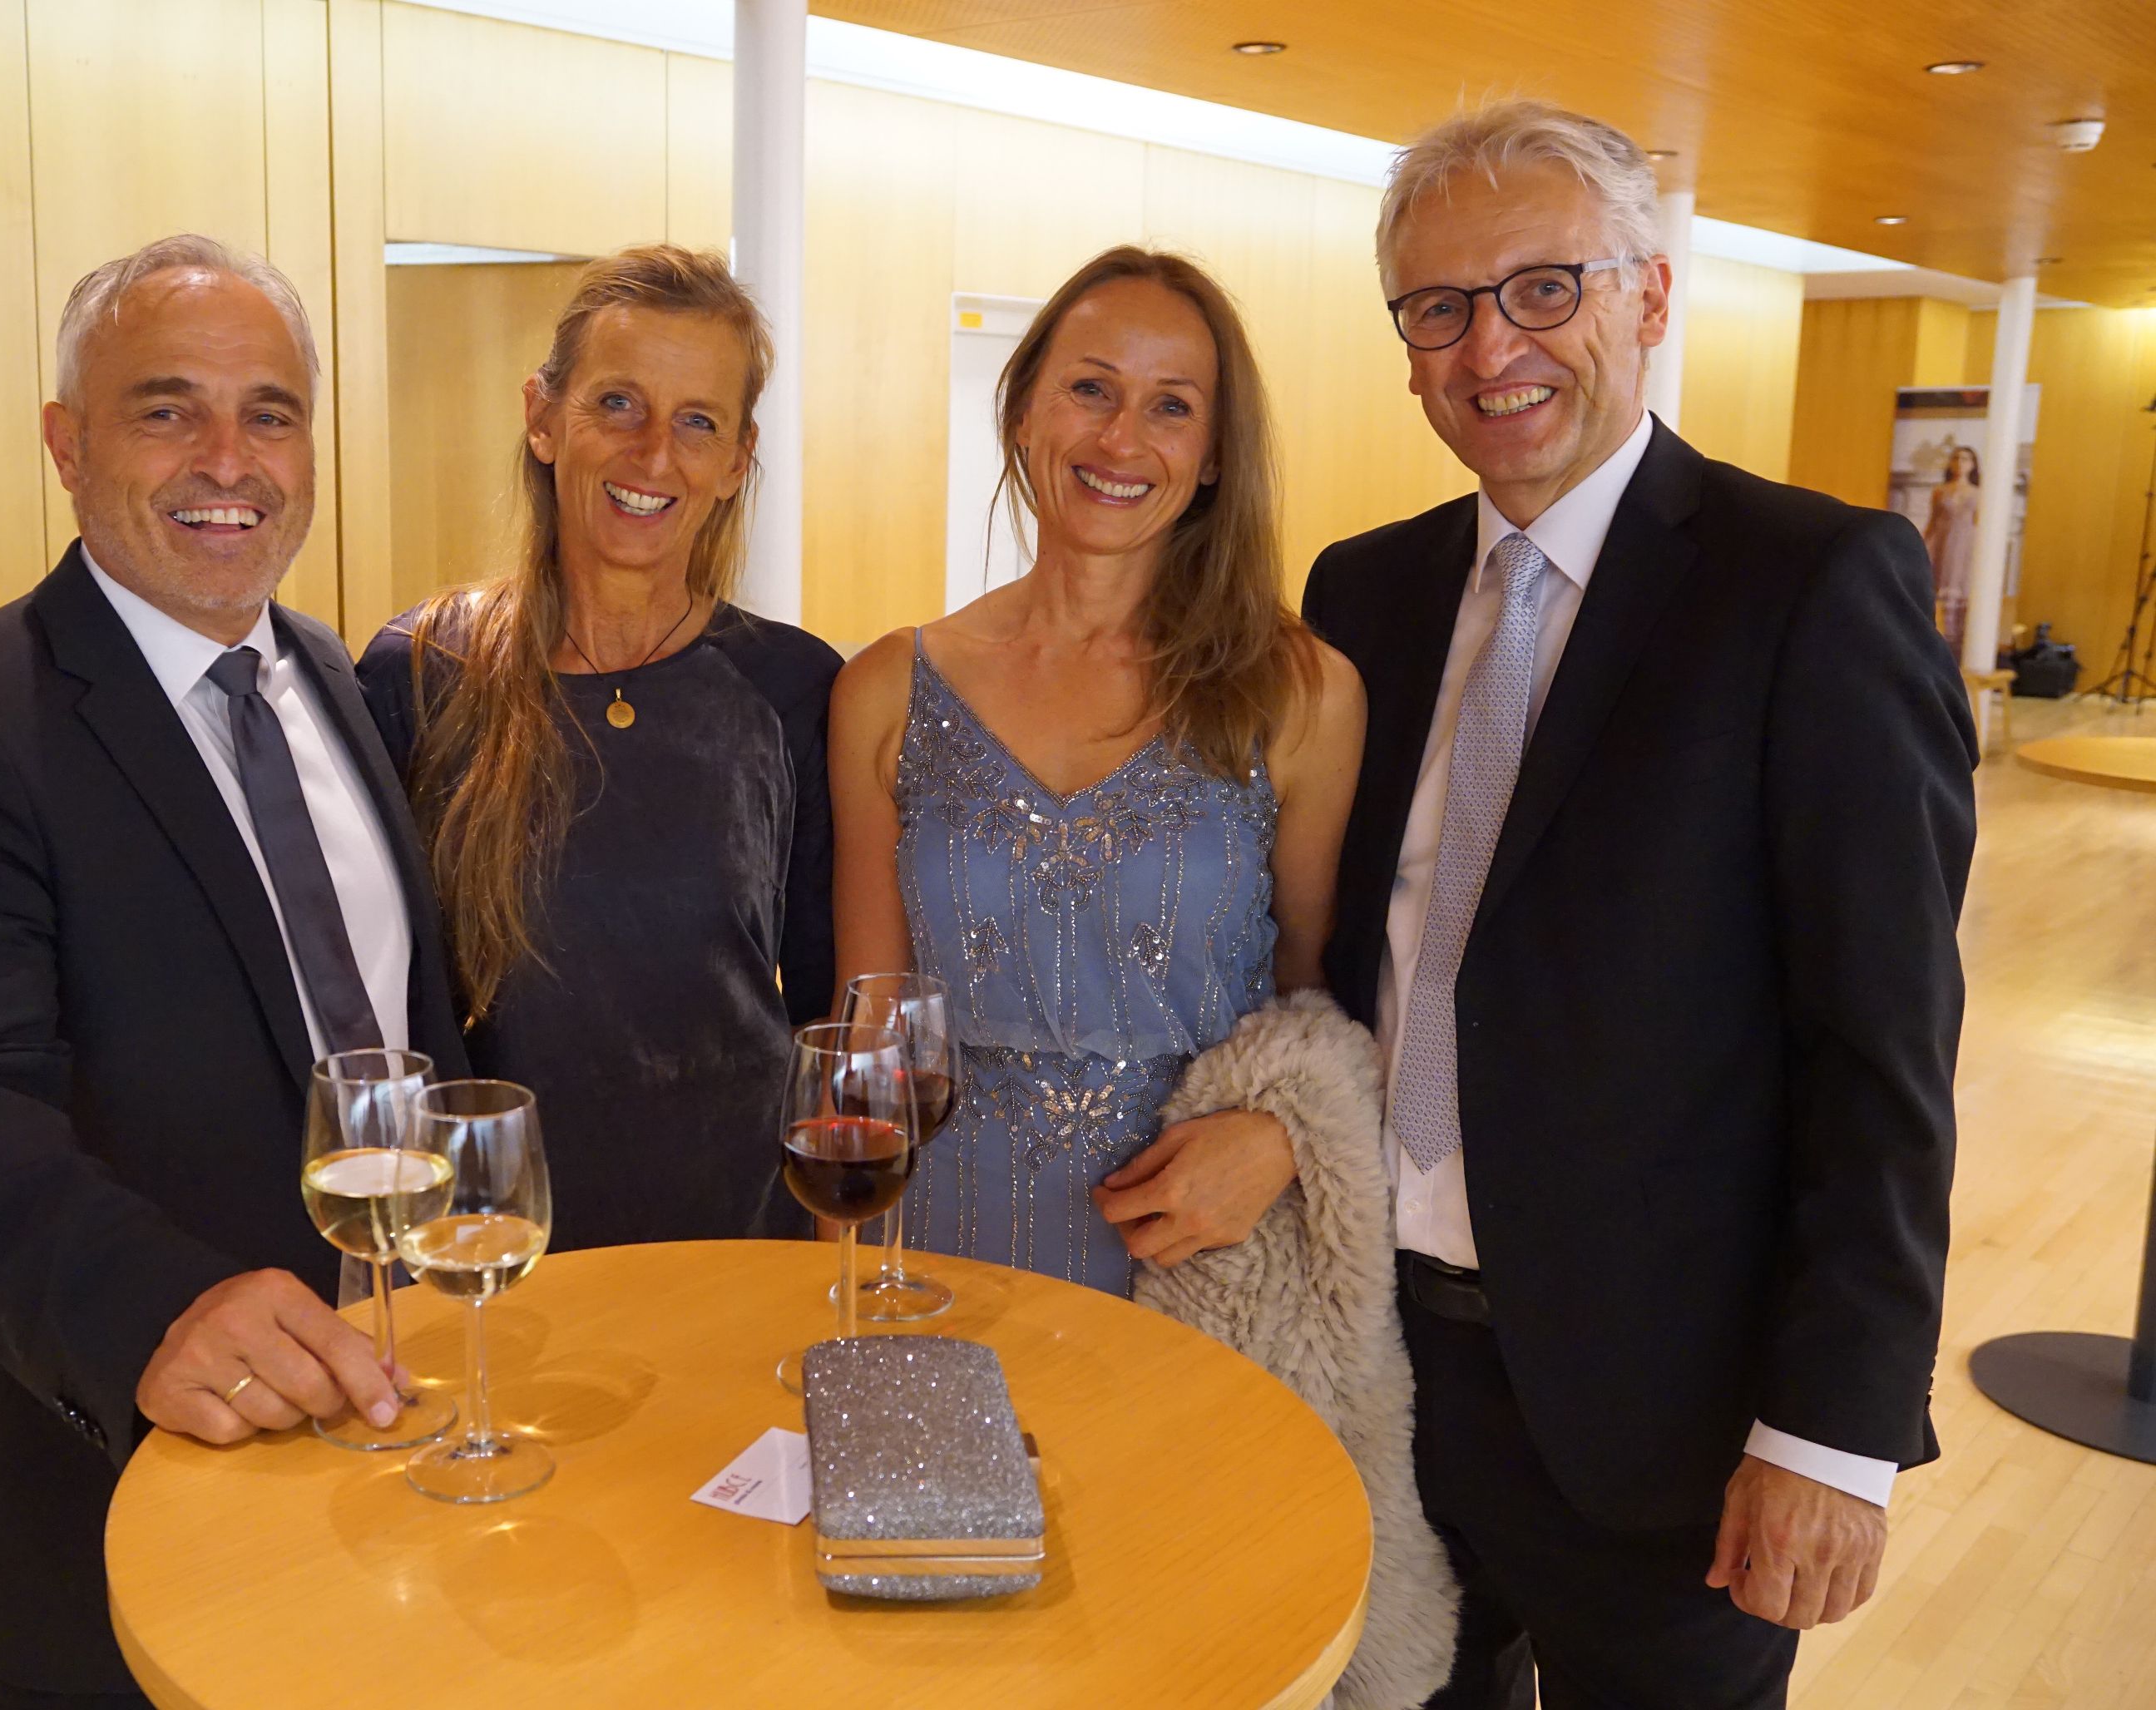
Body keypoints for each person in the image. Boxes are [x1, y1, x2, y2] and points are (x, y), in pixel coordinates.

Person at [1303, 101, 1976, 1708]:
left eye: (1546, 288)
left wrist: (1832, 1434)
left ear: (1651, 297)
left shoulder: (1810, 584)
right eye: (1440, 308)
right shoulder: (1363, 593)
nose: (1492, 348)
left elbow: (1882, 1048)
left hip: (1668, 1422)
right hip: (1384, 1371)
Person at [0, 235, 471, 1708]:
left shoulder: (335, 679)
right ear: (67, 445)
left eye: (270, 413)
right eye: (167, 409)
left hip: (378, 1425)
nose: (227, 460)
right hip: (103, 1476)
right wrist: (154, 1312)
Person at [828, 245, 1362, 1294]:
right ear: (1023, 409)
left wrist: (1287, 1137)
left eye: (1172, 407)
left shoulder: (1300, 693)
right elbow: (870, 1031)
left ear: (1214, 453)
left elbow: (1320, 1000)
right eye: (1090, 389)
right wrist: (841, 1282)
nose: (1121, 438)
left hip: (1201, 1264)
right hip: (935, 1249)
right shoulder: (887, 689)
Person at [359, 245, 839, 1252]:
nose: (654, 453)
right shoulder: (423, 671)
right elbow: (381, 1002)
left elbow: (828, 1015)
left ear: (738, 458)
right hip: (497, 1243)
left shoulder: (792, 686)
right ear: (543, 417)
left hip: (743, 1239)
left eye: (697, 421)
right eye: (618, 403)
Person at [1925, 442, 1981, 651]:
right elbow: (1932, 522)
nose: (1960, 463)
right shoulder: (1940, 491)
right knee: (1940, 584)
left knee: (1962, 584)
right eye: (1956, 458)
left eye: (1965, 459)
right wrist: (1922, 545)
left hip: (1965, 544)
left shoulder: (1978, 493)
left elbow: (1979, 523)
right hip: (1943, 543)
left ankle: (1960, 639)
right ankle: (1942, 633)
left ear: (1973, 465)